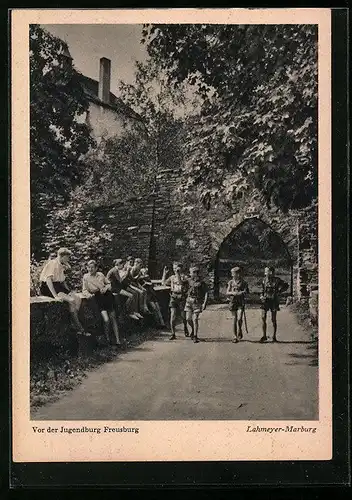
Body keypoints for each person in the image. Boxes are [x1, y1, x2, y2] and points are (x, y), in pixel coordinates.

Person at [39, 247, 88, 336]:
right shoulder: (53, 263)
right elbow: (48, 280)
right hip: (48, 286)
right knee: (72, 301)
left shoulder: (61, 264)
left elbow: (62, 281)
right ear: (62, 256)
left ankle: (74, 319)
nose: (68, 259)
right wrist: (55, 296)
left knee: (78, 299)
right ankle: (79, 327)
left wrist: (69, 291)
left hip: (58, 285)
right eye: (67, 257)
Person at [82, 260, 122, 347]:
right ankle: (107, 340)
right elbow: (84, 290)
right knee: (106, 319)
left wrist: (106, 288)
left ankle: (118, 340)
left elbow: (108, 284)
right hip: (97, 298)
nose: (90, 269)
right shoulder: (85, 277)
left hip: (107, 296)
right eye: (89, 267)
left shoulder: (100, 274)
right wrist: (88, 295)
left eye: (93, 267)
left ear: (96, 268)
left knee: (113, 318)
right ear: (87, 268)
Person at [259, 266, 289, 343]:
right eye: (265, 271)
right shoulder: (264, 280)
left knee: (273, 319)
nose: (266, 273)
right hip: (265, 300)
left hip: (274, 301)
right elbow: (261, 290)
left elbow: (286, 285)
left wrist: (279, 291)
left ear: (272, 272)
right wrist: (261, 296)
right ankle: (264, 335)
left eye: (267, 271)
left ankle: (274, 337)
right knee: (263, 317)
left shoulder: (277, 280)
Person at [162, 261, 190, 340]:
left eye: (177, 268)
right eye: (174, 268)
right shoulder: (172, 277)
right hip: (174, 296)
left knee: (183, 316)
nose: (175, 270)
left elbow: (181, 283)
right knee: (172, 315)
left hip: (181, 297)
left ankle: (185, 327)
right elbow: (163, 283)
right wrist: (164, 273)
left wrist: (178, 275)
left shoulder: (184, 277)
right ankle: (173, 333)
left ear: (181, 268)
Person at [184, 266, 208, 343]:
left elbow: (206, 292)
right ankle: (193, 329)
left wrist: (204, 303)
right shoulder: (188, 280)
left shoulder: (201, 282)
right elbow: (180, 283)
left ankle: (195, 336)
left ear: (195, 273)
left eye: (191, 272)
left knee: (195, 319)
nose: (190, 273)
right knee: (188, 319)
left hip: (197, 302)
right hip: (189, 301)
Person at [226, 266, 249, 343]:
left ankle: (240, 329)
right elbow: (227, 292)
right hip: (232, 302)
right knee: (234, 320)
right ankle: (235, 336)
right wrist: (233, 293)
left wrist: (241, 293)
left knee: (239, 319)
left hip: (240, 302)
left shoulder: (244, 282)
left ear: (238, 274)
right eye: (232, 273)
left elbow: (246, 292)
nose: (232, 275)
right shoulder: (230, 282)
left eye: (233, 273)